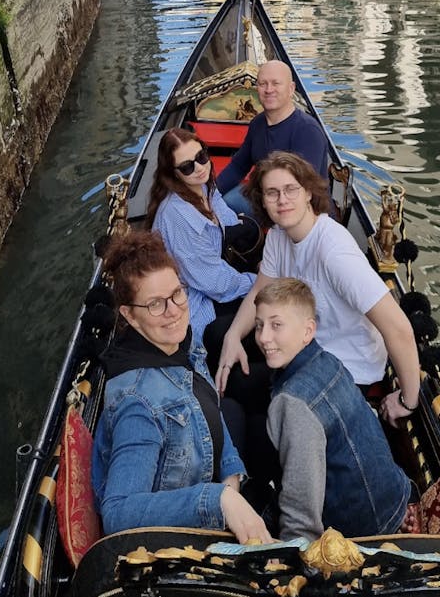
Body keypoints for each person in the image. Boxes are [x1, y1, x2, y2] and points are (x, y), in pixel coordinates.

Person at [215, 151, 421, 428]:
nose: (282, 200)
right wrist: (233, 337)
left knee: (256, 424)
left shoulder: (334, 252)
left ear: (309, 193)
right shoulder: (278, 235)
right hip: (303, 346)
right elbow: (258, 293)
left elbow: (398, 328)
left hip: (346, 366)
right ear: (262, 200)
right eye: (272, 193)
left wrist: (408, 401)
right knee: (218, 340)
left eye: (290, 190)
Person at [91, 231, 272, 543]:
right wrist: (218, 500)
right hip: (182, 536)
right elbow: (118, 514)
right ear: (130, 316)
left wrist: (230, 484)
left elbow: (210, 411)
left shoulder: (180, 344)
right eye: (156, 304)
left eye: (177, 293)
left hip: (215, 490)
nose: (174, 310)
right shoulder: (137, 404)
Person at [255, 278, 412, 540]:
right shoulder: (330, 361)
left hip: (356, 535)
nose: (263, 337)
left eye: (276, 325)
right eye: (259, 325)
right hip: (395, 498)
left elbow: (301, 519)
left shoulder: (292, 403)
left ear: (308, 331)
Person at [146, 127, 255, 346]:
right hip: (192, 301)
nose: (199, 168)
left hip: (211, 276)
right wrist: (259, 282)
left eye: (201, 156)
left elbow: (228, 219)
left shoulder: (203, 187)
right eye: (187, 167)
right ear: (174, 173)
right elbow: (214, 282)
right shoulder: (177, 217)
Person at [216, 60, 329, 214]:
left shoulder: (307, 130)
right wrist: (209, 195)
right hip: (266, 196)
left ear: (291, 89)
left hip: (302, 209)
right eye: (263, 84)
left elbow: (303, 188)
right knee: (221, 202)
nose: (269, 90)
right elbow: (238, 166)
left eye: (276, 83)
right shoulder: (257, 123)